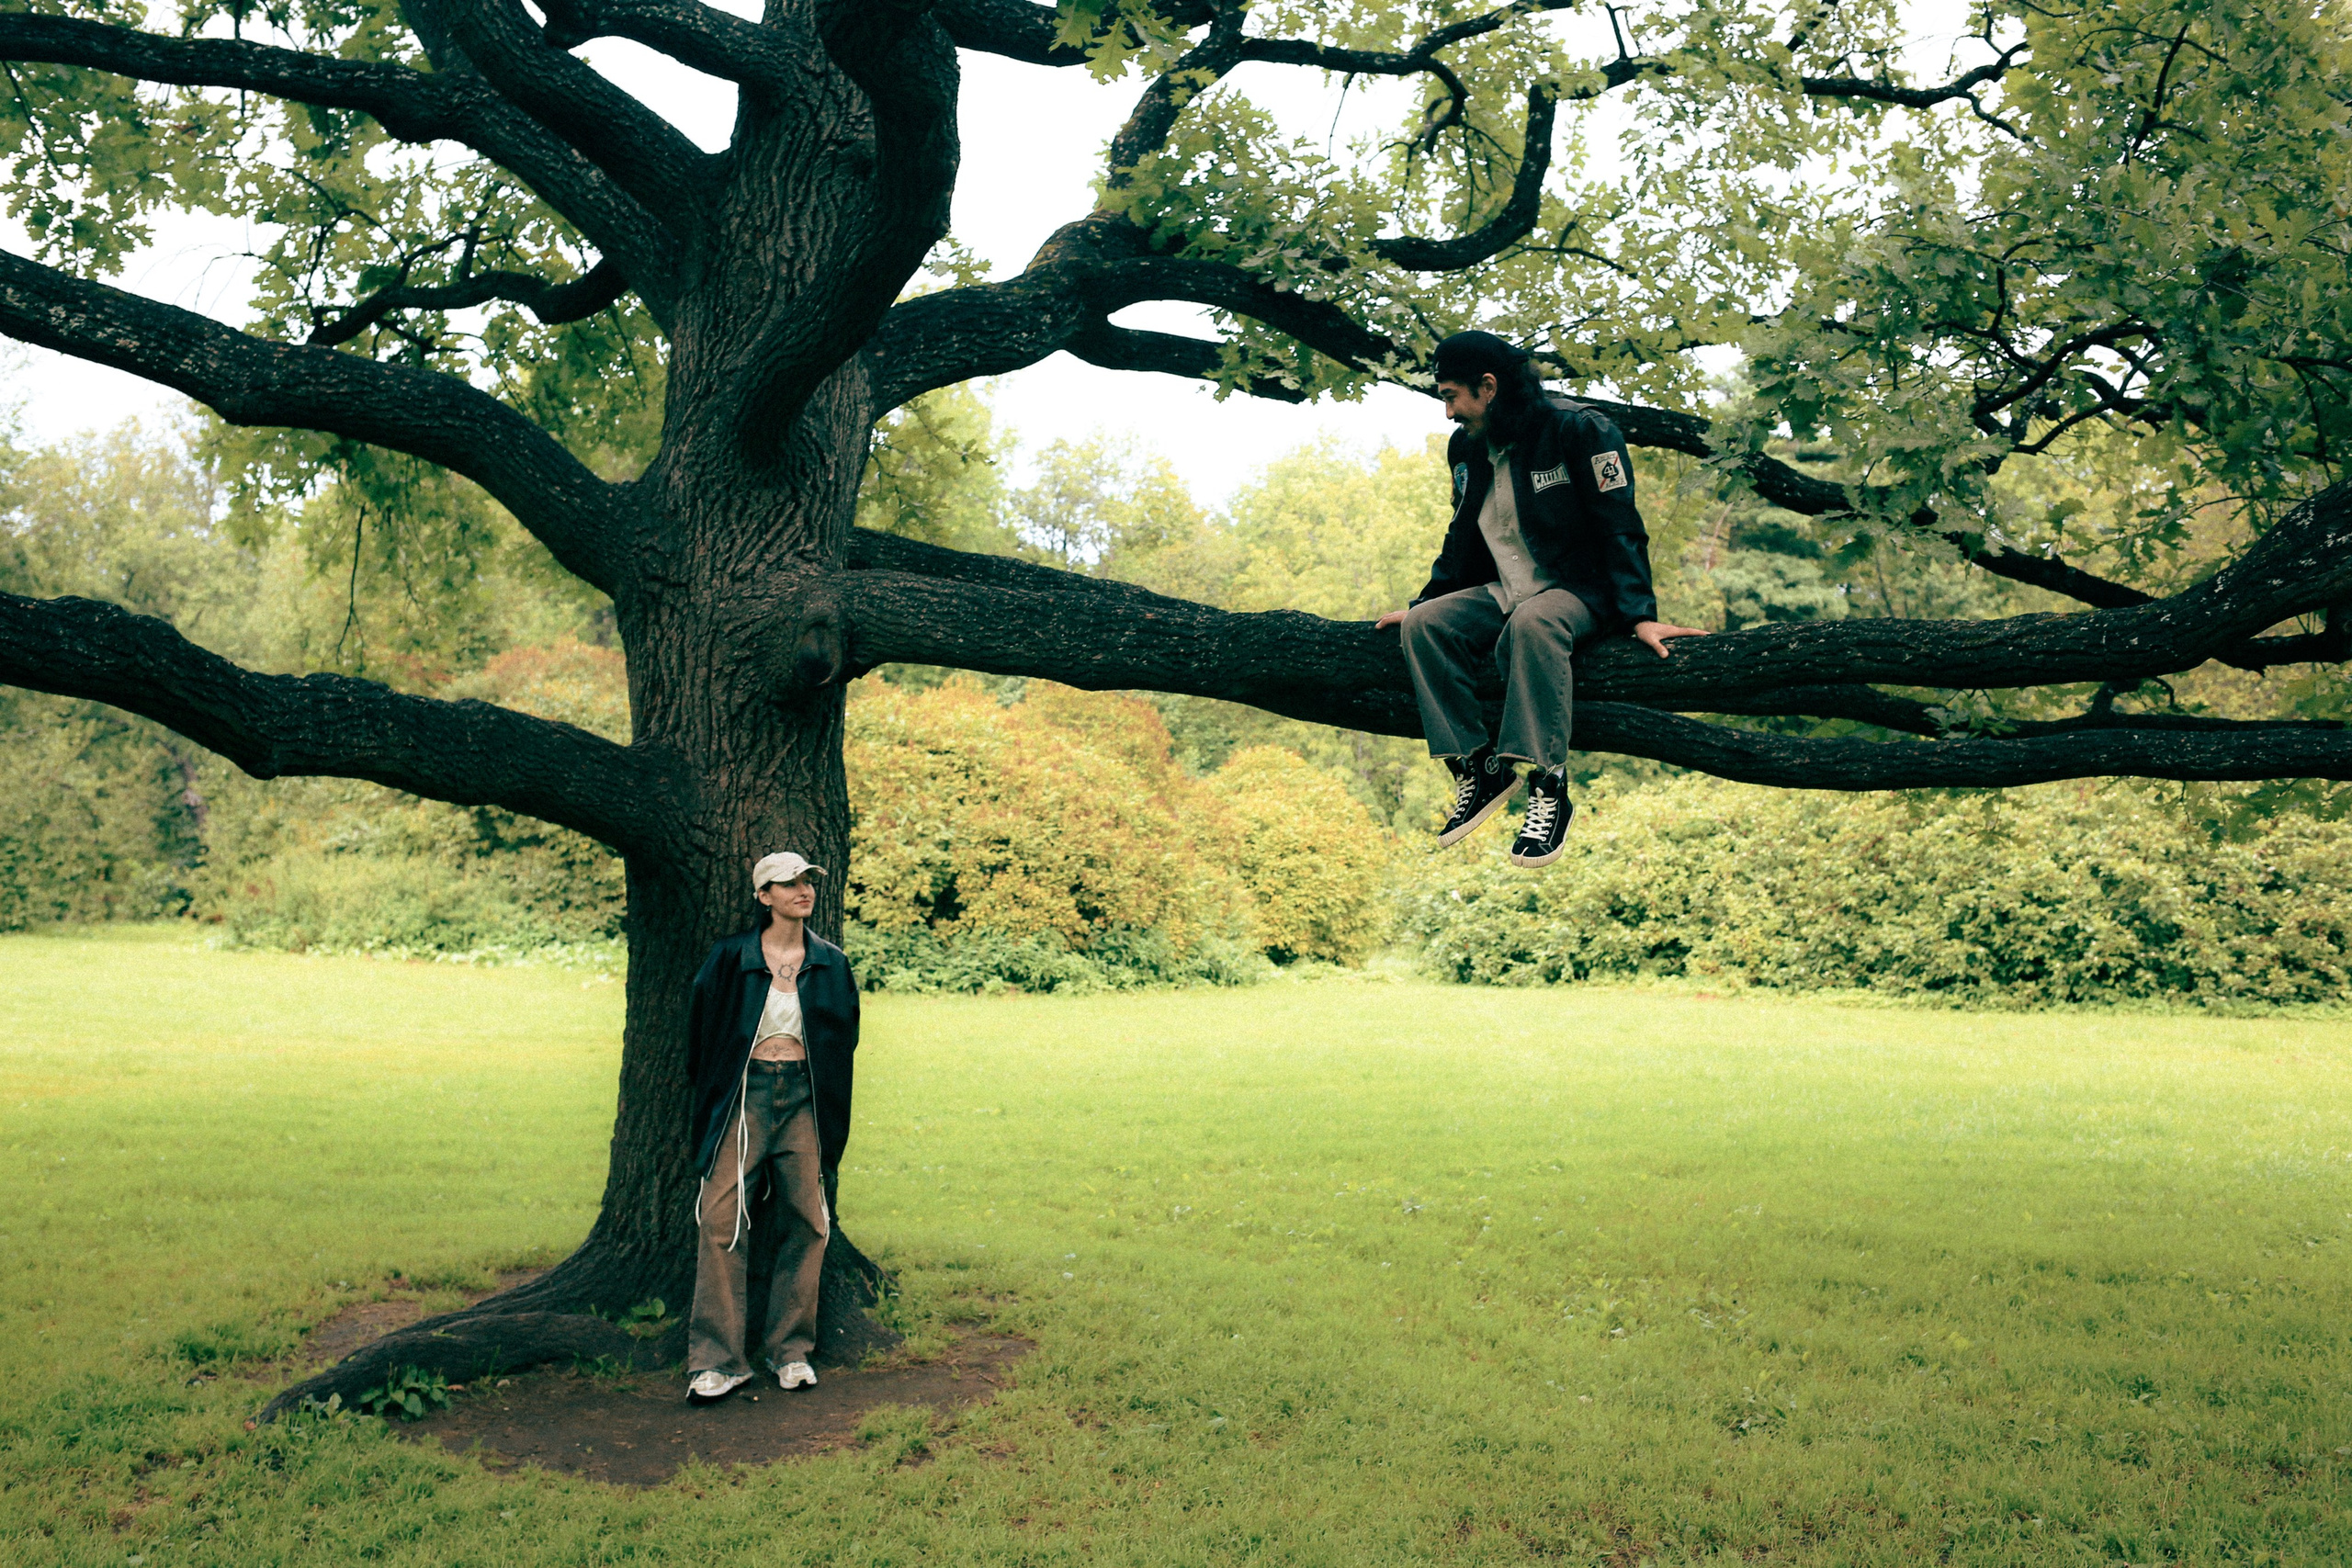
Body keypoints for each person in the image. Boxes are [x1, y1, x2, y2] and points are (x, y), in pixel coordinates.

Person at [1374, 331, 1705, 867]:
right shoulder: (1466, 446)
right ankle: (1478, 769)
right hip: (1507, 587)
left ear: (1488, 387)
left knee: (1532, 622)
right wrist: (1423, 602)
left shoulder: (1581, 429)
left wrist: (1642, 616)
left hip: (1581, 590)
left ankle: (1548, 783)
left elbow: (1621, 525)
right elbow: (1461, 533)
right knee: (1425, 627)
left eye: (1451, 396)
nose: (1447, 411)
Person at [681, 851, 862, 1404]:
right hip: (745, 1095)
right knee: (721, 1219)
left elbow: (843, 1040)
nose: (802, 890)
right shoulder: (731, 958)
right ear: (764, 897)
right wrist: (724, 1093)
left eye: (808, 881)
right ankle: (717, 1361)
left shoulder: (830, 963)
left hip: (804, 1099)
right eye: (788, 883)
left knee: (809, 1220)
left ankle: (791, 1351)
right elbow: (700, 1034)